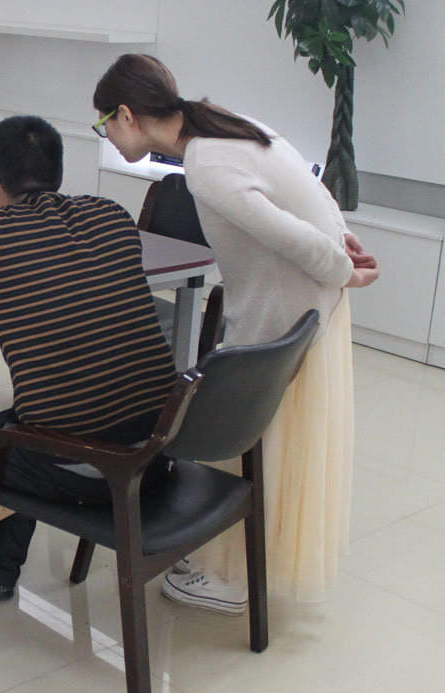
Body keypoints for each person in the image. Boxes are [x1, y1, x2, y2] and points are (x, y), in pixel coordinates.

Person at [91, 54, 379, 611]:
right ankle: (242, 563)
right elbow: (309, 191)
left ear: (126, 115)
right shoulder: (225, 125)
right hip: (306, 307)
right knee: (276, 444)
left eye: (104, 124)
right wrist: (343, 240)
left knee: (256, 439)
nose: (108, 135)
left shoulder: (206, 166)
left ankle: (230, 577)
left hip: (287, 310)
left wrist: (344, 266)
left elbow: (287, 233)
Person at [0, 115, 179, 600]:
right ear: (58, 174)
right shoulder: (112, 216)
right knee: (20, 421)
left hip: (84, 466)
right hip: (157, 449)